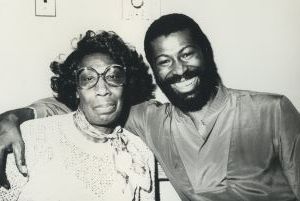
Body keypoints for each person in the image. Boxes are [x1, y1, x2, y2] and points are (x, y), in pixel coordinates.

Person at [0, 13, 300, 201]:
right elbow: (83, 107)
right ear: (155, 71)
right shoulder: (151, 119)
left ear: (206, 53)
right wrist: (15, 116)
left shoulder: (272, 111)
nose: (179, 70)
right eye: (164, 61)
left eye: (187, 54)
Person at [0, 30, 156, 201]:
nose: (103, 89)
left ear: (126, 84)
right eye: (88, 78)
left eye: (113, 76)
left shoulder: (140, 153)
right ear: (75, 88)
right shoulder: (31, 138)